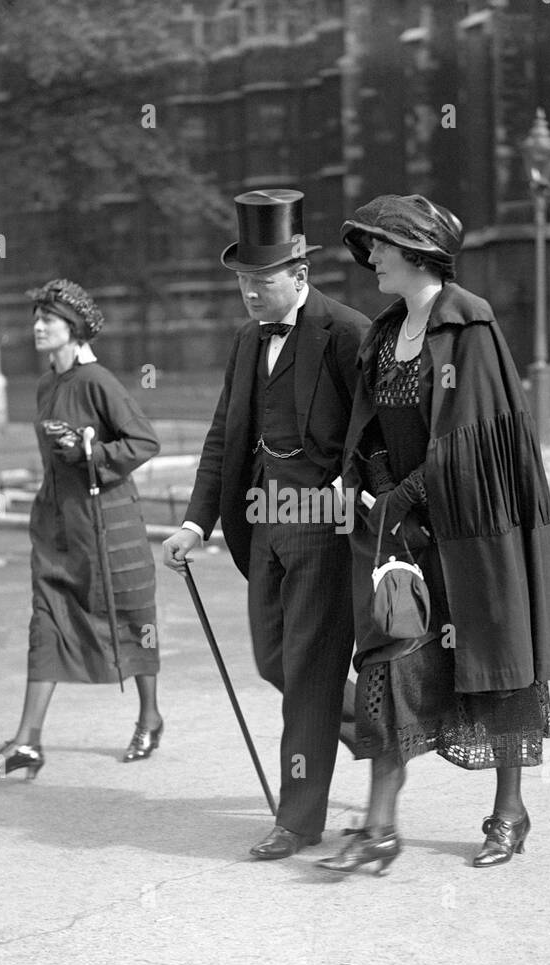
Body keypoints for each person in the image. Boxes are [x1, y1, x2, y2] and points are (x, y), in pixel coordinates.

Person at [316, 194, 550, 876]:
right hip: (404, 535)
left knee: (496, 664)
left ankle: (509, 812)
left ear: (418, 251)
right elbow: (368, 427)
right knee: (388, 668)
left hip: (476, 533)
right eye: (368, 245)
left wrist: (406, 494)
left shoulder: (470, 327)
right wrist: (375, 481)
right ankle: (380, 828)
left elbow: (476, 445)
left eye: (380, 246)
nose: (370, 258)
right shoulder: (385, 332)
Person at [161, 189, 370, 860]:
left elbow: (379, 431)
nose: (250, 293)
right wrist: (196, 524)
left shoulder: (348, 332)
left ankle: (298, 818)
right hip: (262, 522)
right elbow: (224, 435)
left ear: (301, 275)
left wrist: (348, 484)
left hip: (325, 524)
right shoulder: (248, 340)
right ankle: (379, 724)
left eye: (263, 279)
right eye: (243, 281)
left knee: (306, 672)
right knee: (274, 659)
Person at [0, 279, 164, 778]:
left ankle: (149, 716)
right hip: (59, 530)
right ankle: (27, 742)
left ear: (73, 329)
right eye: (35, 319)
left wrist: (92, 453)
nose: (37, 328)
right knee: (48, 622)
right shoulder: (46, 385)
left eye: (47, 320)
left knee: (132, 618)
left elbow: (144, 441)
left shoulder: (97, 381)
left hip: (108, 525)